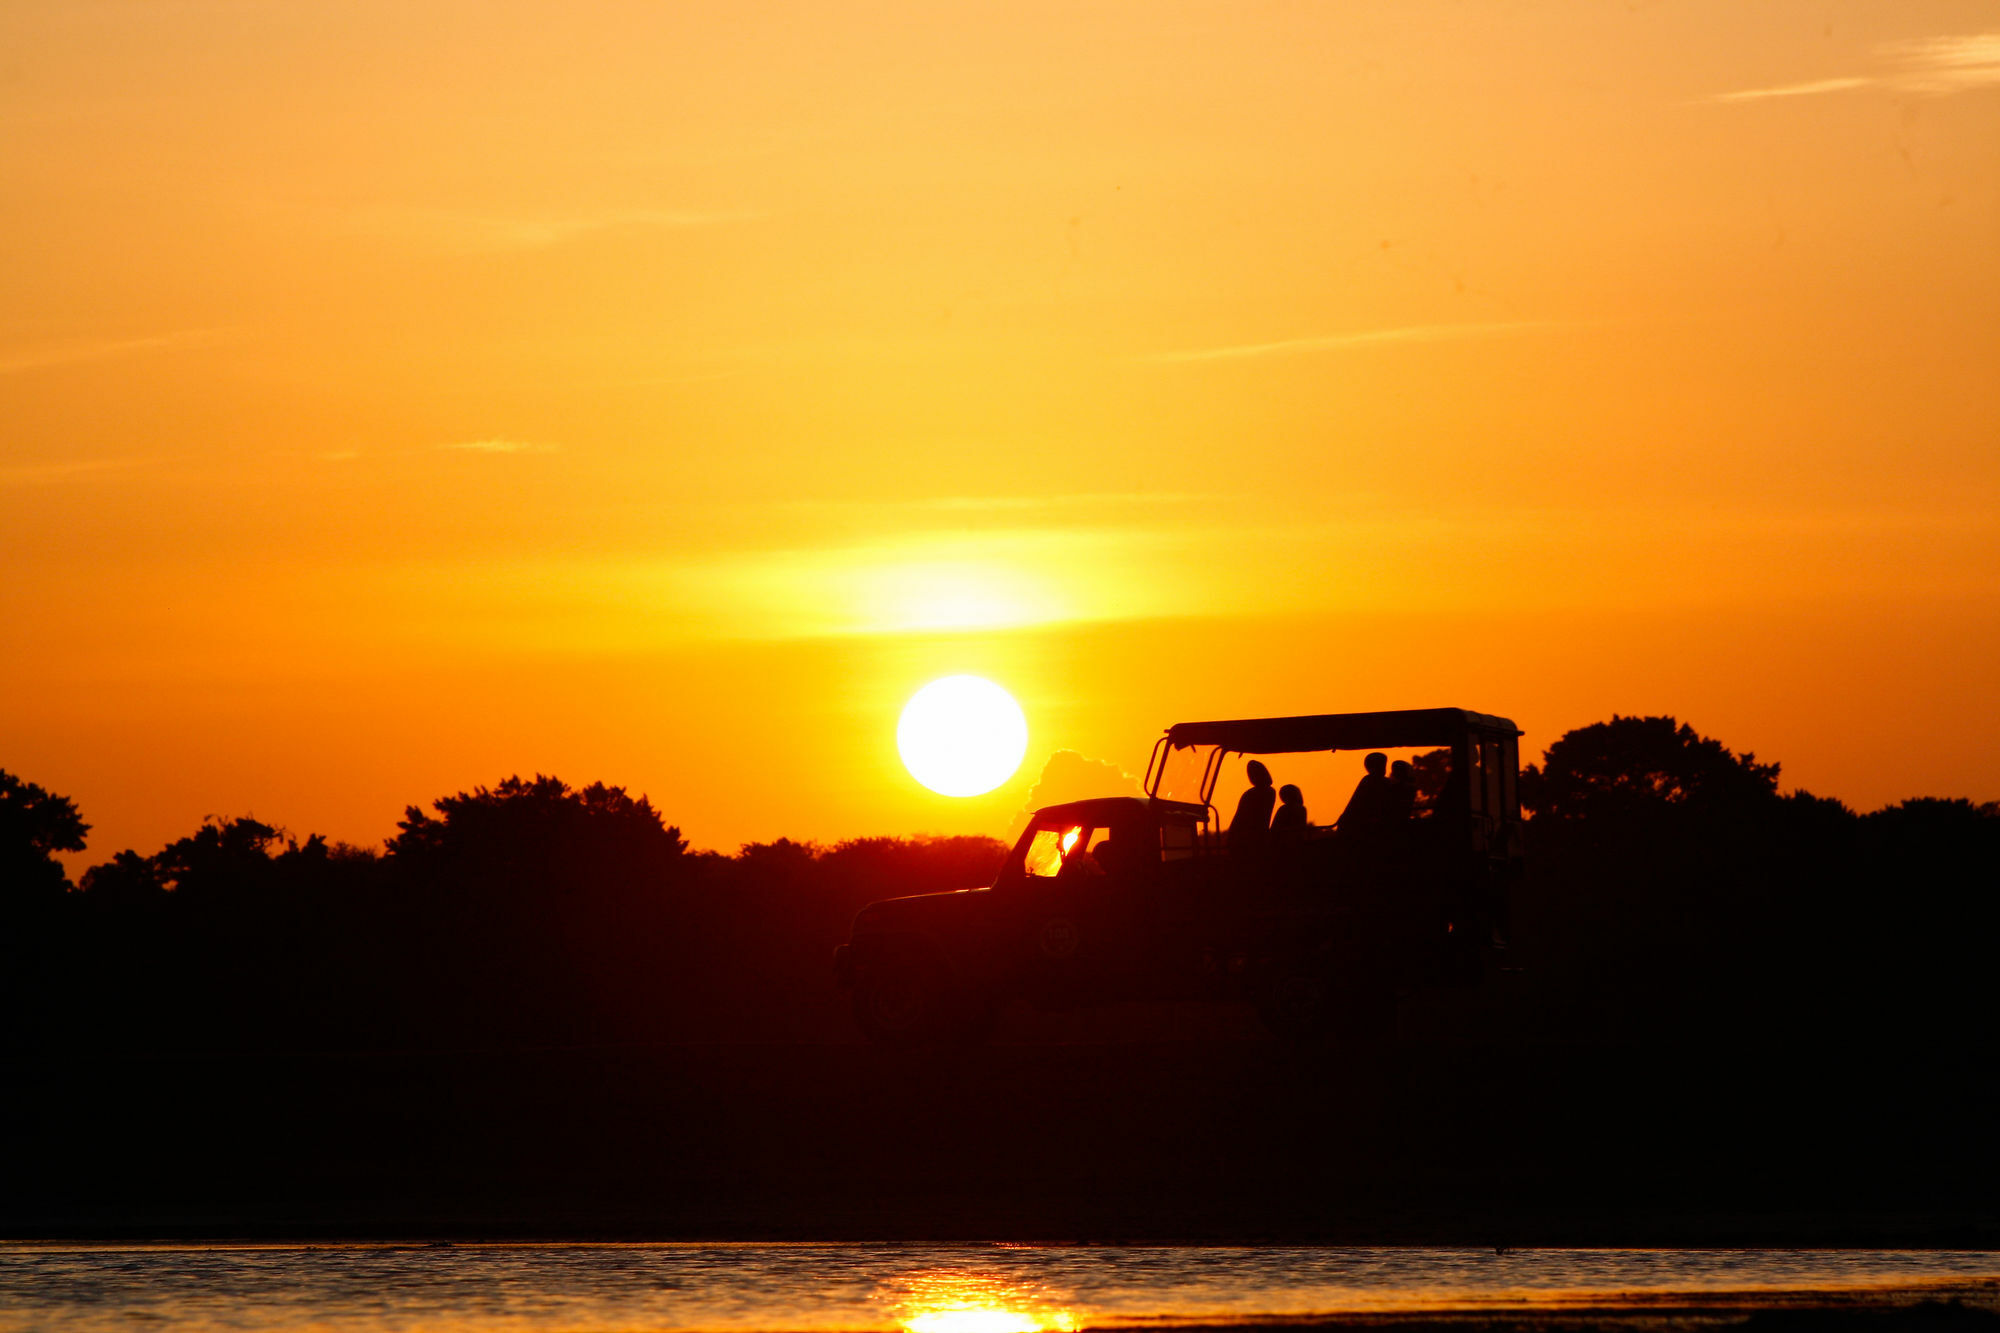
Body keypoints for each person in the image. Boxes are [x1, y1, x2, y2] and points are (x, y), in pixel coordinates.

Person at [1228, 760, 1277, 853]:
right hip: (1260, 836)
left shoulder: (1250, 794)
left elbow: (1239, 818)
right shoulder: (1271, 792)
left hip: (1247, 839)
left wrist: (1230, 838)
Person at [1336, 752, 1393, 832]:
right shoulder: (1381, 782)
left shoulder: (1369, 781)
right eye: (1382, 765)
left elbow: (1354, 804)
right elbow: (1355, 803)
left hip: (1368, 826)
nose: (1384, 767)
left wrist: (1344, 819)